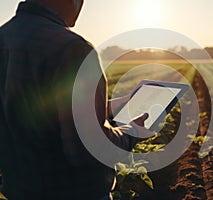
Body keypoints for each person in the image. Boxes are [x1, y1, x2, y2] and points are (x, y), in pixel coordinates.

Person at [0, 0, 149, 199]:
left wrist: (119, 104)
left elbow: (40, 112)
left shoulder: (5, 36)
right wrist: (132, 132)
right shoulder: (72, 49)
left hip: (17, 190)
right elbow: (88, 150)